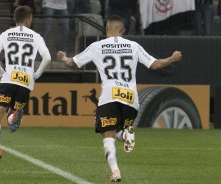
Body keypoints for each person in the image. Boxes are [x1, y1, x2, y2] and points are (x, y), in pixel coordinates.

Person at [57, 15, 182, 182]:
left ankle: (115, 170)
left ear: (107, 30)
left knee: (106, 133)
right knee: (114, 127)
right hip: (131, 98)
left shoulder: (97, 46)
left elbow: (73, 63)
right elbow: (155, 65)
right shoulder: (134, 46)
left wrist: (64, 57)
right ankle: (124, 135)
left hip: (109, 95)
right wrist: (172, 58)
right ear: (123, 31)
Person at [0, 5, 51, 160]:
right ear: (29, 19)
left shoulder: (6, 34)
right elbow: (48, 58)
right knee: (12, 120)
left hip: (8, 79)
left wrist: (0, 72)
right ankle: (15, 114)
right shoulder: (36, 36)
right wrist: (36, 75)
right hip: (25, 83)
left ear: (15, 18)